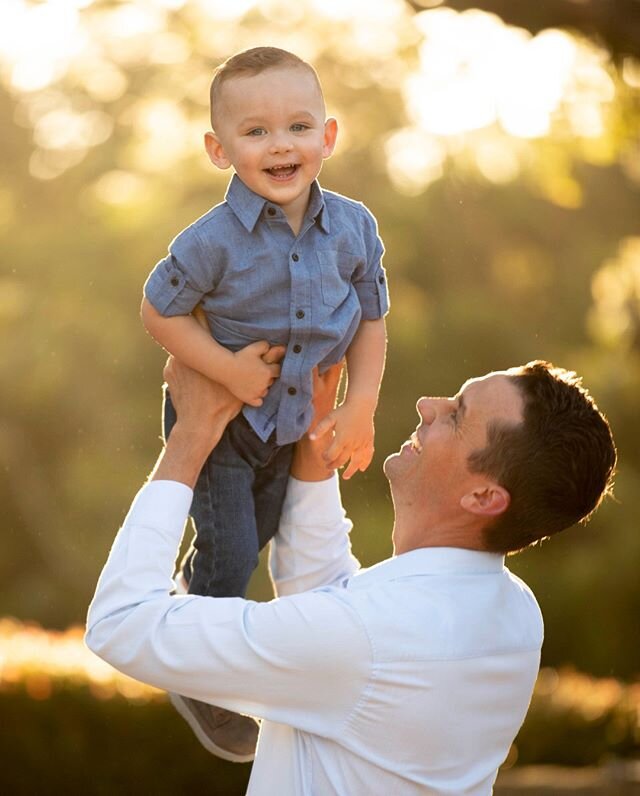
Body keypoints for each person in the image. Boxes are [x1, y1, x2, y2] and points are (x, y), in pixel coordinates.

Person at [86, 356, 616, 795]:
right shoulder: (516, 616)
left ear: (483, 497)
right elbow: (337, 612)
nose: (427, 406)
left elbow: (122, 621)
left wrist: (190, 438)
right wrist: (316, 436)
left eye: (455, 415)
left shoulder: (371, 638)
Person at [139, 46, 389, 758]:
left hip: (285, 424)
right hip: (222, 419)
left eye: (298, 126)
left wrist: (362, 403)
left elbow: (371, 317)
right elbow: (160, 312)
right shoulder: (211, 241)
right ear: (220, 150)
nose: (280, 144)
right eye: (255, 132)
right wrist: (224, 368)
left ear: (328, 136)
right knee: (233, 552)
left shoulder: (353, 227)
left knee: (273, 540)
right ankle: (197, 670)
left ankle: (210, 625)